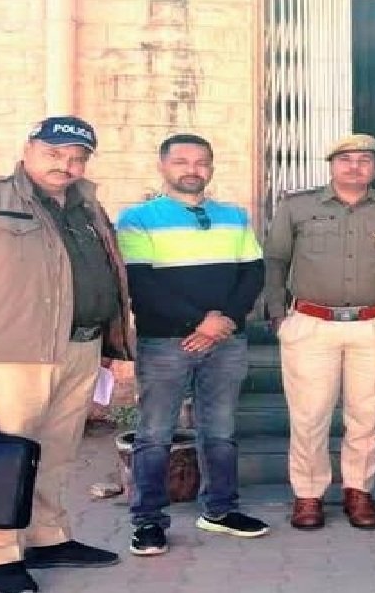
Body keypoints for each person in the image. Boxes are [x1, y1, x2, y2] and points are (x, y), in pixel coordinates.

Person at [0, 116, 133, 593]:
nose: (66, 164)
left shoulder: (88, 208)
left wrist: (111, 345)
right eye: (54, 153)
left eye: (77, 157)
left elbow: (102, 278)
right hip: (12, 357)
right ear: (28, 150)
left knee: (57, 455)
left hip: (80, 349)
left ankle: (47, 538)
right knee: (4, 458)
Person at [262, 133, 375, 531]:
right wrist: (279, 315)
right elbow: (275, 261)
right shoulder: (297, 206)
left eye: (364, 160)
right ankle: (308, 494)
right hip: (312, 325)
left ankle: (359, 490)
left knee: (368, 415)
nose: (355, 167)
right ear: (331, 165)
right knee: (309, 415)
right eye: (346, 160)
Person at [115, 134, 268, 556]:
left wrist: (225, 321)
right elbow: (141, 284)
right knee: (155, 433)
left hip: (227, 341)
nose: (192, 169)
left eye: (201, 162)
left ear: (211, 167)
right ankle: (148, 521)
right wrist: (200, 323)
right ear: (163, 167)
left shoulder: (234, 217)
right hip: (166, 342)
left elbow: (253, 273)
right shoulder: (137, 219)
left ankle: (220, 509)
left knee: (220, 429)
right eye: (181, 161)